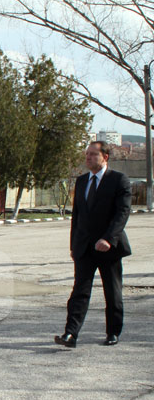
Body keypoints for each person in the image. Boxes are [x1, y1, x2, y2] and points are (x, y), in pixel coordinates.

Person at [55, 141, 132, 348]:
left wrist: (108, 238)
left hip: (109, 247)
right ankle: (70, 334)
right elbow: (77, 217)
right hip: (85, 248)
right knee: (79, 291)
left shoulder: (118, 180)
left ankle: (113, 332)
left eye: (93, 154)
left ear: (105, 157)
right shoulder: (81, 181)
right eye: (87, 154)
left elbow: (122, 213)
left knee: (112, 292)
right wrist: (74, 245)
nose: (88, 158)